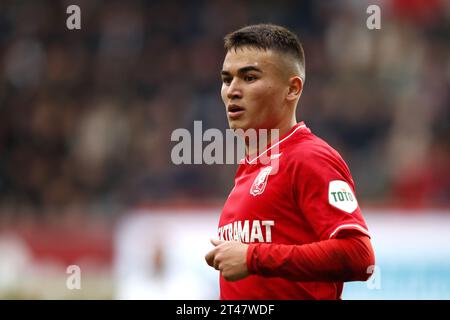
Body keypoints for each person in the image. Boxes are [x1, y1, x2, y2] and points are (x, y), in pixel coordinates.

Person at [205, 24, 375, 300]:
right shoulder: (249, 169)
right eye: (227, 79)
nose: (233, 90)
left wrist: (253, 257)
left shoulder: (309, 157)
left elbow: (359, 255)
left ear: (292, 89)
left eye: (249, 77)